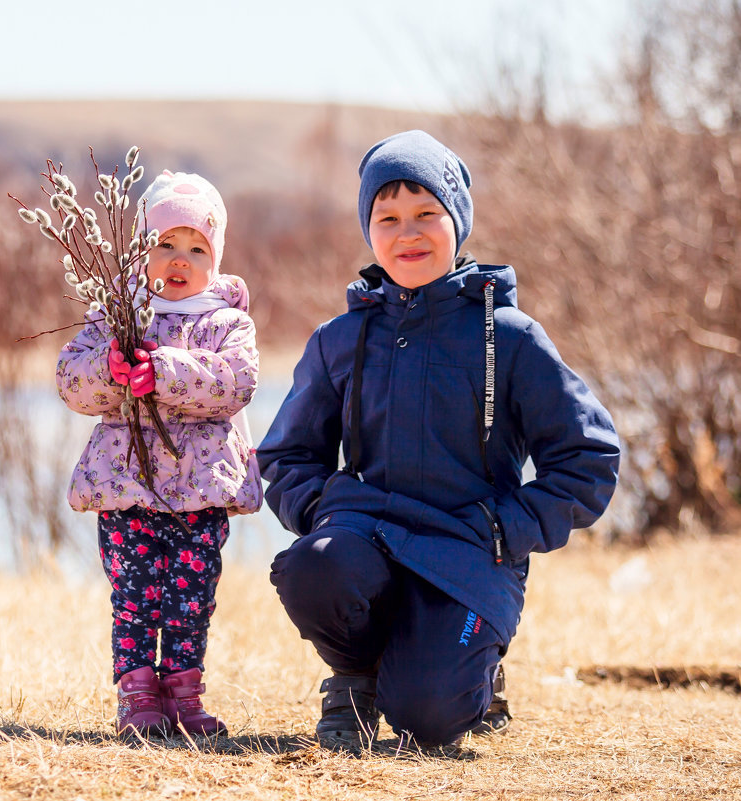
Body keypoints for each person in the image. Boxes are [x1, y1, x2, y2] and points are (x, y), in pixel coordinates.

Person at [256, 130, 620, 749]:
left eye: (427, 214)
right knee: (313, 569)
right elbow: (287, 456)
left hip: (470, 559)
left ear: (458, 223)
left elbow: (589, 458)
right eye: (388, 217)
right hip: (366, 543)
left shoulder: (512, 337)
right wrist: (327, 514)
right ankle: (358, 675)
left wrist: (507, 527)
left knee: (428, 720)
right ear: (368, 231)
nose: (409, 233)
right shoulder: (339, 341)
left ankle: (471, 673)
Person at [56, 169, 262, 738]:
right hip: (127, 489)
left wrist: (163, 371)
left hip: (201, 493)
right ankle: (138, 695)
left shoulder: (228, 323)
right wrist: (111, 371)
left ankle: (184, 694)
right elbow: (72, 382)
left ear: (214, 259)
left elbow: (235, 384)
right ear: (140, 251)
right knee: (134, 594)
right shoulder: (118, 316)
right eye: (165, 244)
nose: (180, 258)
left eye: (196, 248)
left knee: (190, 599)